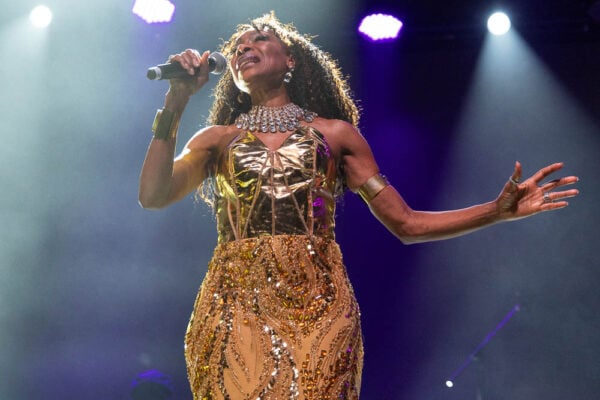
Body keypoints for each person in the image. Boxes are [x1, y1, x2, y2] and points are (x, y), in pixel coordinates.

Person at [138, 12, 579, 400]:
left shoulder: (336, 135)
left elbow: (406, 223)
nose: (244, 48)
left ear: (291, 61)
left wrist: (496, 211)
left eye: (259, 39)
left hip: (318, 306)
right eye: (237, 47)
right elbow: (153, 195)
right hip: (236, 305)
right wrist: (176, 101)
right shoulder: (215, 141)